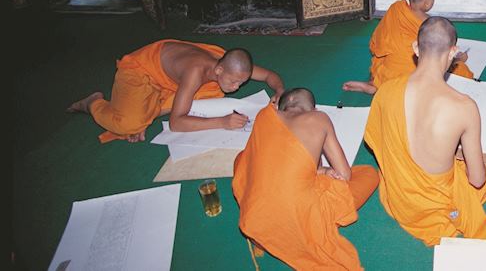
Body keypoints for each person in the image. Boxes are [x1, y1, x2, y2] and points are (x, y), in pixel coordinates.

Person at [364, 17, 486, 245]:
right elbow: (477, 180)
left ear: (416, 48)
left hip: (402, 200)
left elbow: (378, 141)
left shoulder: (385, 91)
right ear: (453, 51)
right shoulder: (465, 107)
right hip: (438, 206)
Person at [232, 88, 378, 269]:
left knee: (242, 158)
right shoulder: (319, 119)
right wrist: (324, 170)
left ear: (279, 107)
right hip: (299, 217)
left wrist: (320, 170)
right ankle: (317, 223)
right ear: (313, 109)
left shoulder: (264, 115)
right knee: (369, 174)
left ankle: (269, 232)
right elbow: (345, 175)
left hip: (256, 218)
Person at [67, 39, 284, 143]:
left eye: (241, 83)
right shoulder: (195, 73)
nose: (236, 87)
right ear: (219, 69)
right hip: (140, 73)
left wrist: (280, 91)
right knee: (129, 124)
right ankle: (92, 103)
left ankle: (147, 112)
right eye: (234, 82)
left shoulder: (229, 66)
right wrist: (222, 122)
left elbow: (269, 75)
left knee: (213, 93)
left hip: (170, 79)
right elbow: (176, 123)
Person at [343, 0, 473, 95]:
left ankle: (374, 84)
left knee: (382, 59)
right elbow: (436, 53)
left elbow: (377, 43)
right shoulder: (431, 25)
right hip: (414, 73)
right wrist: (458, 59)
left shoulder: (396, 9)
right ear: (427, 2)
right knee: (459, 71)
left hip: (390, 70)